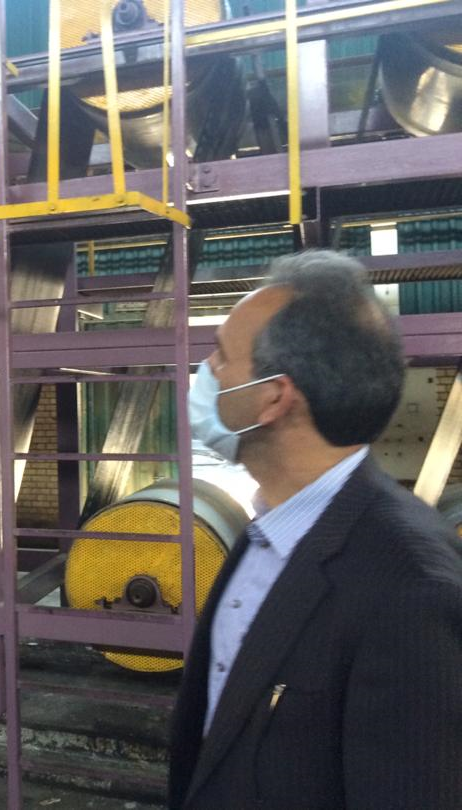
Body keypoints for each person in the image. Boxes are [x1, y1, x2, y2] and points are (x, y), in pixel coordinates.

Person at [170, 250, 462, 809]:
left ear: (274, 397)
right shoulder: (267, 532)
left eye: (223, 355)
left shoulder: (411, 590)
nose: (207, 370)